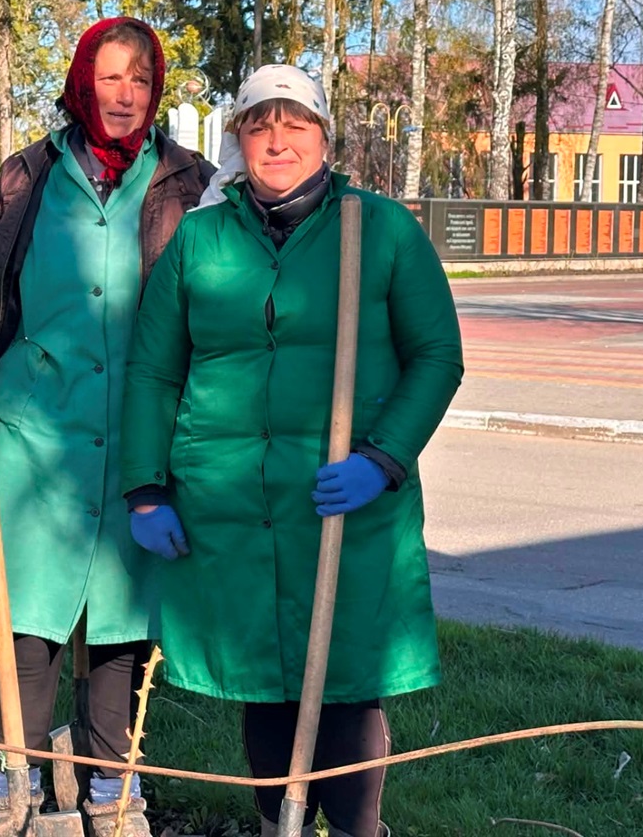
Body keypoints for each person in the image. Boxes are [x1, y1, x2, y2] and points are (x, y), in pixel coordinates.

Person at [119, 65, 463, 837]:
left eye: (296, 125)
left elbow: (437, 354)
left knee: (346, 682)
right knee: (264, 685)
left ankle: (355, 828)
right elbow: (153, 368)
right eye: (260, 125)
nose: (278, 140)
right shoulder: (199, 240)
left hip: (346, 500)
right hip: (232, 503)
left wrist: (383, 457)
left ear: (324, 138)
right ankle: (280, 822)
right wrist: (146, 487)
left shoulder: (379, 230)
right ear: (239, 141)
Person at [0, 16, 213, 830]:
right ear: (82, 80)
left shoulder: (186, 181)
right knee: (29, 624)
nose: (124, 94)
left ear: (157, 90)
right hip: (32, 429)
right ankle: (13, 788)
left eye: (141, 79)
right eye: (109, 76)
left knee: (122, 630)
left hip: (140, 426)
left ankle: (110, 791)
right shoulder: (26, 175)